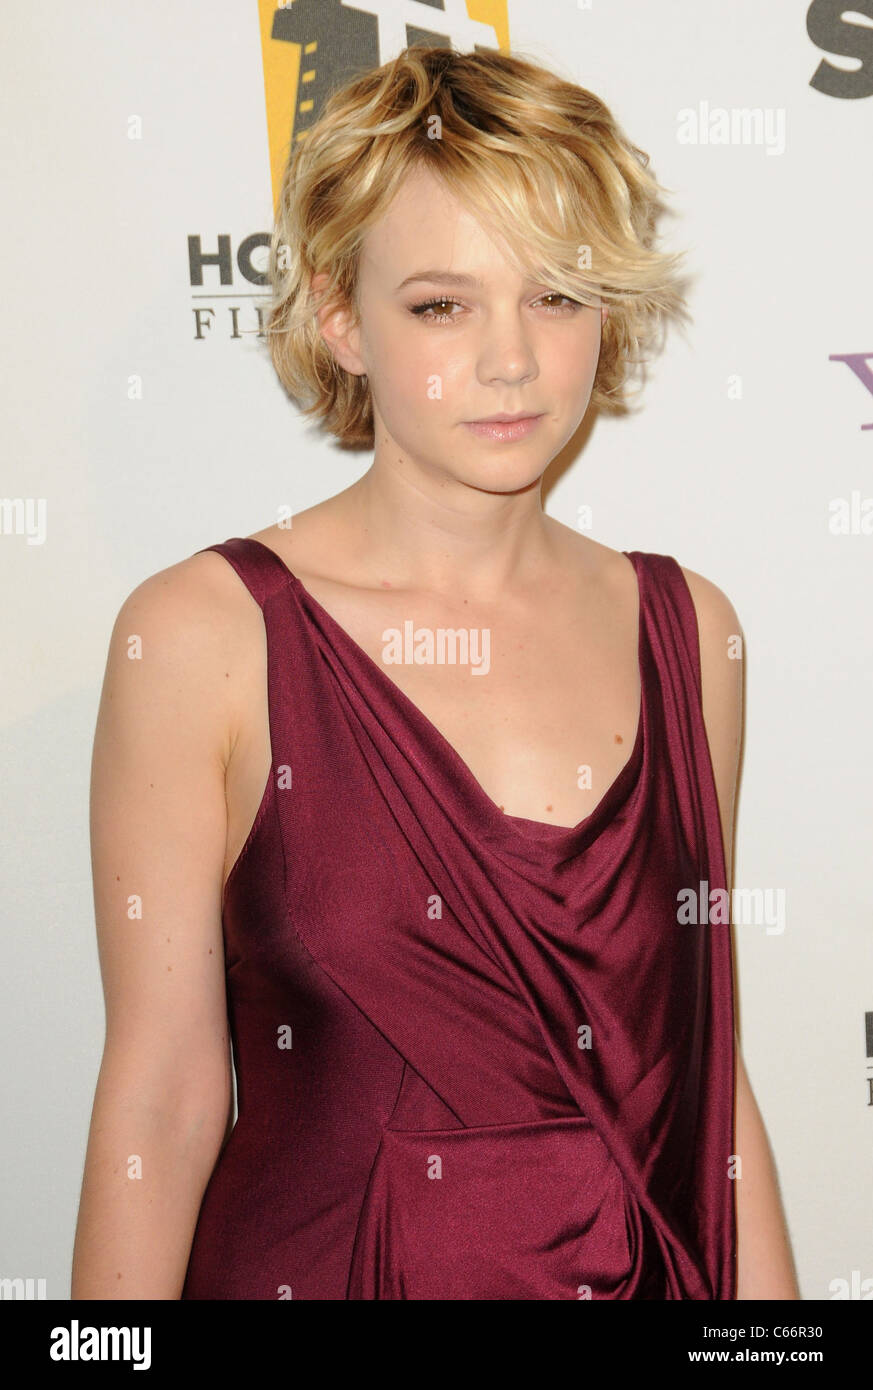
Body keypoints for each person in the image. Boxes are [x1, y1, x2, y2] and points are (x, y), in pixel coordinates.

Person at [72, 44, 799, 1300]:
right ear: (341, 317)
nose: (511, 359)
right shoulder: (204, 637)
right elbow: (161, 1101)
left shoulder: (692, 633)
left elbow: (706, 1073)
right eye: (442, 304)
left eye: (557, 294)